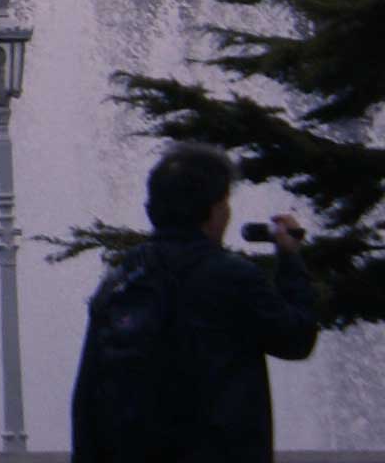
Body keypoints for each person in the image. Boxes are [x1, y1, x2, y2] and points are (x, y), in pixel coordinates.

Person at [70, 142, 318, 463]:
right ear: (214, 211)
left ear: (151, 208)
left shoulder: (120, 280)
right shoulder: (233, 278)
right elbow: (297, 339)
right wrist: (290, 259)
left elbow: (86, 397)